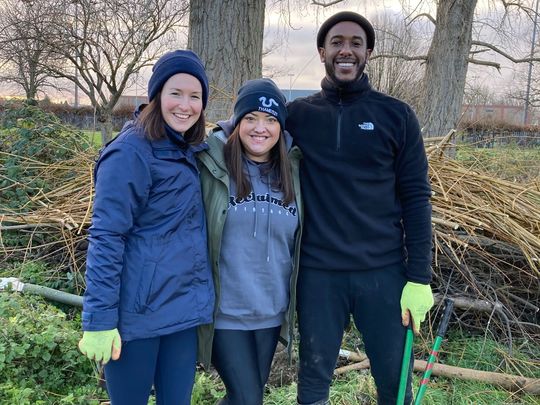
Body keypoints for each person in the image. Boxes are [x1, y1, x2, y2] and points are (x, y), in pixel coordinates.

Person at [286, 11, 434, 405]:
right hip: (319, 275)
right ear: (322, 52)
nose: (346, 50)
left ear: (368, 52)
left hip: (383, 273)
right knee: (314, 375)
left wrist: (419, 276)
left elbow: (417, 197)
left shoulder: (396, 116)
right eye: (337, 42)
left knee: (394, 378)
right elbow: (249, 133)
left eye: (355, 42)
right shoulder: (298, 116)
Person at [78, 49, 215, 405]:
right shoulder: (130, 152)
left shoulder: (185, 149)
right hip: (136, 319)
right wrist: (99, 319)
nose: (185, 105)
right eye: (176, 93)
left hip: (180, 314)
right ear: (156, 96)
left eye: (195, 96)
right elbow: (107, 237)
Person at [197, 78, 303, 405]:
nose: (261, 128)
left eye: (271, 119)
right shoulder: (210, 163)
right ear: (237, 122)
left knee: (244, 398)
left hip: (271, 312)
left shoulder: (294, 169)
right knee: (248, 399)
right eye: (251, 118)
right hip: (226, 311)